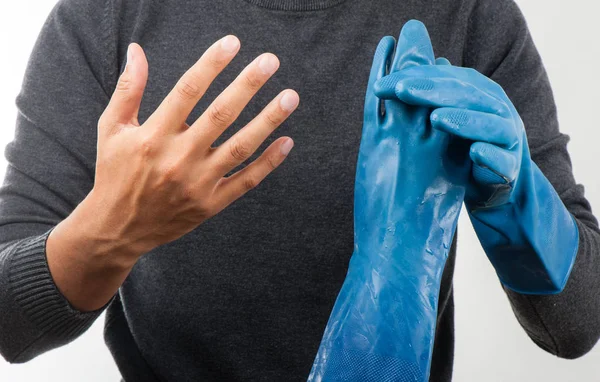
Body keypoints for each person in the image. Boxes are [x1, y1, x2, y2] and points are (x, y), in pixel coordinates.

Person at [0, 0, 598, 381]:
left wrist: (519, 205)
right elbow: (8, 324)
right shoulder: (103, 16)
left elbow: (579, 325)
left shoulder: (469, 12)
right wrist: (111, 232)